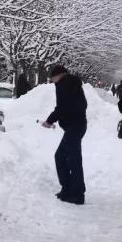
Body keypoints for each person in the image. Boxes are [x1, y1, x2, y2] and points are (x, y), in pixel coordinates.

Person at [41, 65, 87, 205]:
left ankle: (76, 193)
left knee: (68, 158)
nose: (52, 80)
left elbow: (62, 107)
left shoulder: (64, 84)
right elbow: (81, 104)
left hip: (74, 127)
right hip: (77, 125)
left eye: (52, 77)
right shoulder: (73, 83)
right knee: (68, 158)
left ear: (58, 75)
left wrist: (49, 121)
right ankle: (69, 189)